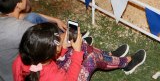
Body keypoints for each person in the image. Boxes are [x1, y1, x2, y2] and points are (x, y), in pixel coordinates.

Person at [0, 0, 90, 80]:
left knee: (32, 17)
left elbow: (28, 15)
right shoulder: (23, 30)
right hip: (20, 73)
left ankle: (69, 38)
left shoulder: (6, 17)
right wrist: (73, 49)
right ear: (18, 4)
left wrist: (56, 20)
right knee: (85, 62)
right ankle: (75, 41)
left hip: (16, 68)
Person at [12, 22, 146, 81]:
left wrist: (63, 48)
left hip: (53, 73)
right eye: (57, 39)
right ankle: (127, 63)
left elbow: (51, 64)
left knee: (79, 48)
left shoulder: (23, 58)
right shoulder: (55, 77)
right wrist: (76, 52)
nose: (61, 36)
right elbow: (70, 78)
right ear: (48, 54)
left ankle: (108, 55)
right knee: (90, 57)